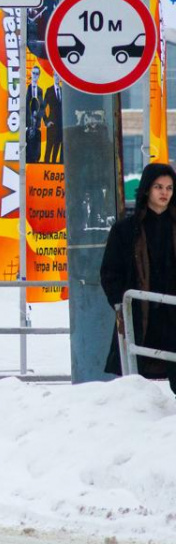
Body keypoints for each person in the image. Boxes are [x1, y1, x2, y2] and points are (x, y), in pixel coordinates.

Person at [100, 162, 176, 394]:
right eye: (158, 187)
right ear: (146, 189)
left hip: (173, 314)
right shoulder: (126, 230)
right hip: (142, 314)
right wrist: (122, 303)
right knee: (134, 383)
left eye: (170, 188)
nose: (164, 193)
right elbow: (110, 272)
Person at [43, 81, 63, 163]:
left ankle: (54, 166)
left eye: (58, 76)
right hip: (51, 124)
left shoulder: (62, 91)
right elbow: (42, 107)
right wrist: (46, 121)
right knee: (49, 149)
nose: (57, 78)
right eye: (55, 75)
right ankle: (45, 168)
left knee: (56, 149)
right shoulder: (49, 90)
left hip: (60, 125)